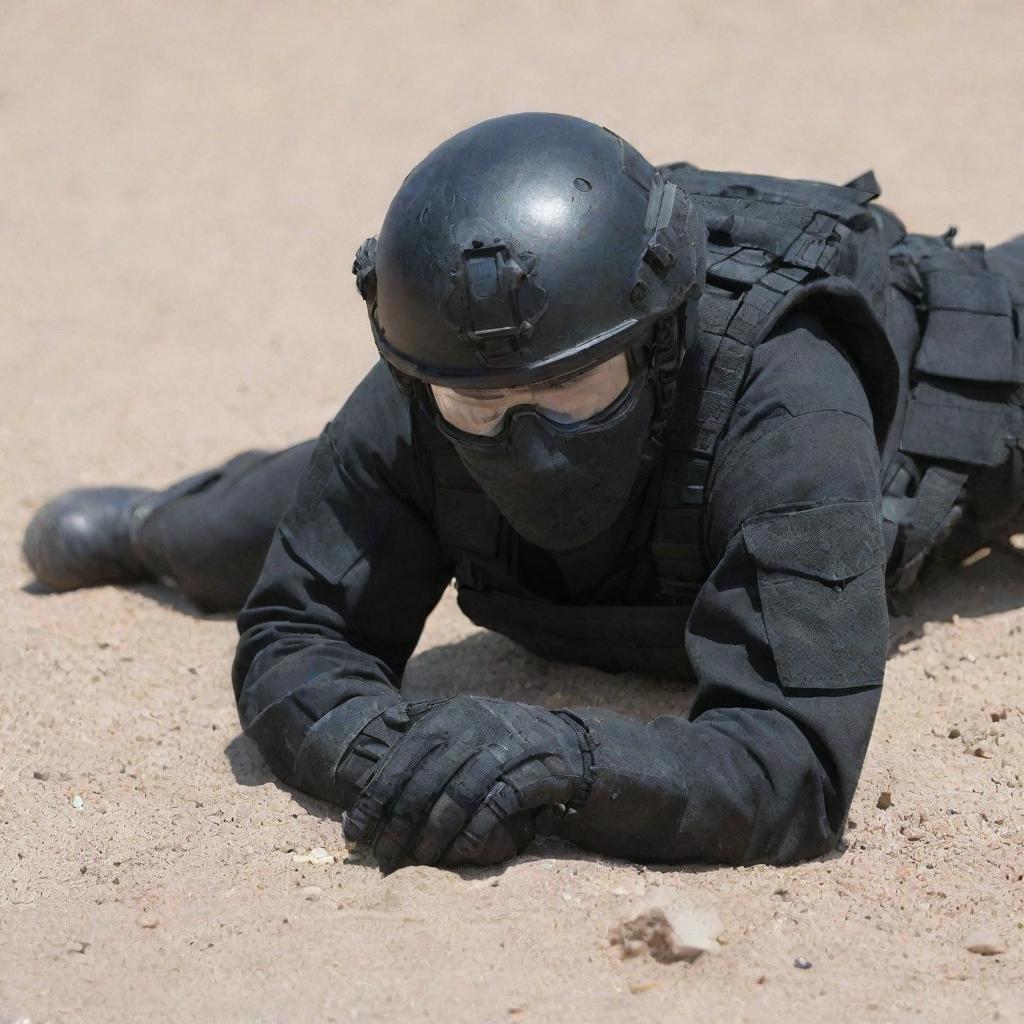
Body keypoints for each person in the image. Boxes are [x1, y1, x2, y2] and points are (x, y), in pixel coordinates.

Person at [23, 113, 1024, 873]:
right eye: (483, 401)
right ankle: (162, 523)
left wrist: (568, 762)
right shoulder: (430, 382)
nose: (526, 434)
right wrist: (391, 753)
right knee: (217, 539)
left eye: (565, 390)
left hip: (950, 389)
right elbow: (296, 632)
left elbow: (792, 768)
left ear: (652, 347)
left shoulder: (790, 402)